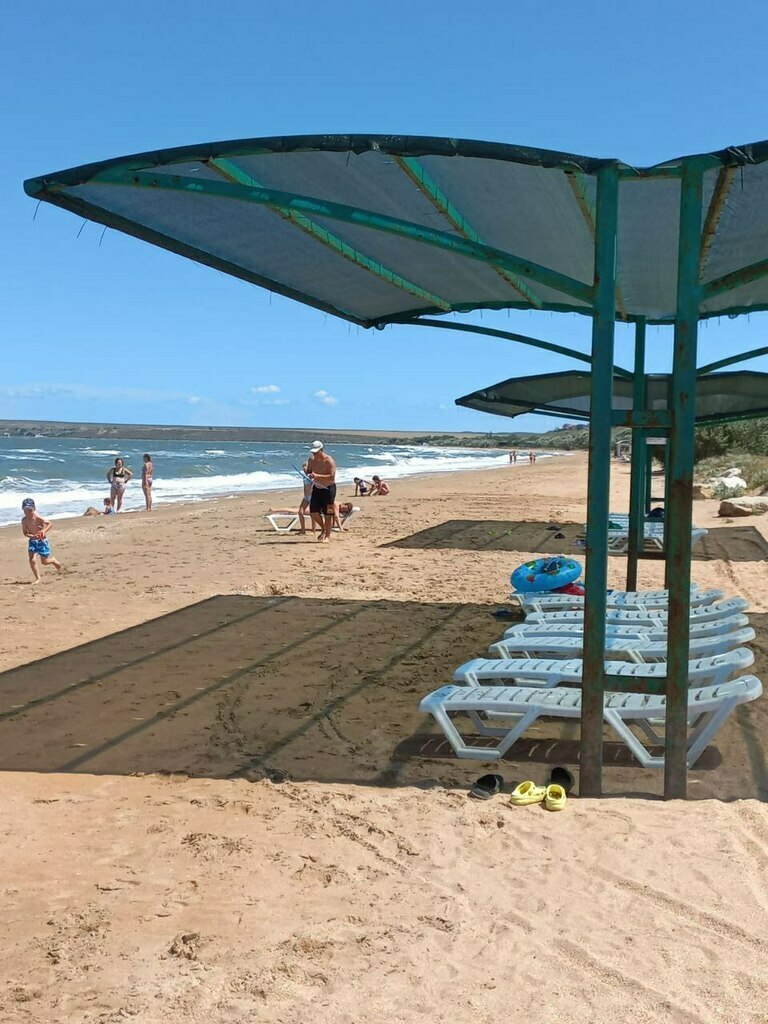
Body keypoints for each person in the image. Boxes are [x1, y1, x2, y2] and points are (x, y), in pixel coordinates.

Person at [21, 498, 62, 583]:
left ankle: (53, 560)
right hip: (33, 541)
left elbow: (50, 523)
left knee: (44, 562)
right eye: (25, 510)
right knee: (32, 559)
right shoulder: (24, 520)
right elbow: (25, 533)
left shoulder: (38, 518)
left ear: (34, 509)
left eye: (30, 510)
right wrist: (32, 536)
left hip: (42, 541)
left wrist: (44, 531)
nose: (27, 512)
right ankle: (38, 578)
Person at [306, 440, 337, 541]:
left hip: (328, 489)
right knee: (313, 512)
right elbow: (309, 471)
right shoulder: (311, 460)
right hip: (317, 488)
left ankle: (327, 536)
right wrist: (308, 474)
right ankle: (324, 529)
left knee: (329, 513)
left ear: (321, 450)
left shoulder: (329, 460)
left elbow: (331, 477)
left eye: (316, 452)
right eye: (313, 452)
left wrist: (317, 476)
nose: (314, 454)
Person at [298, 462, 315, 534]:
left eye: (305, 466)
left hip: (312, 497)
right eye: (303, 467)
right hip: (306, 497)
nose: (304, 468)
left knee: (312, 513)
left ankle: (313, 530)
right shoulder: (304, 476)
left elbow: (314, 485)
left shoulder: (312, 476)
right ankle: (303, 530)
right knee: (300, 512)